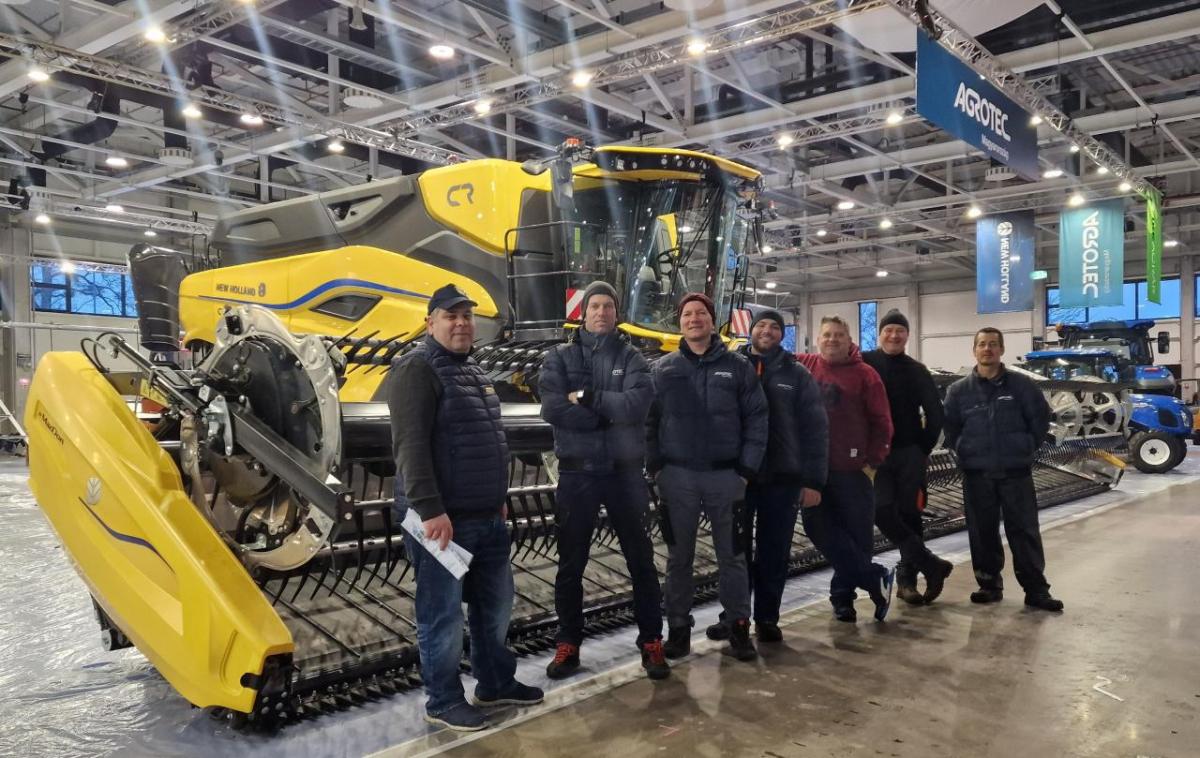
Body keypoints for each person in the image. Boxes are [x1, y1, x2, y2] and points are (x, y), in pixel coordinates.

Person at [388, 283, 543, 732]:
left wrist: (497, 501)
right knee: (443, 618)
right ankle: (442, 699)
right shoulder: (416, 370)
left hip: (486, 517)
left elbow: (486, 443)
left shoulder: (472, 371)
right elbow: (410, 448)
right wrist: (431, 509)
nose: (460, 323)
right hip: (442, 524)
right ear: (430, 322)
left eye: (466, 316)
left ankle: (494, 681)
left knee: (495, 610)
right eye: (450, 316)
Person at [539, 280, 668, 681]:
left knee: (641, 561)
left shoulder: (632, 358)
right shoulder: (559, 357)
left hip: (624, 473)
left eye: (607, 307)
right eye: (594, 306)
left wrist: (589, 398)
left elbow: (637, 404)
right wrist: (603, 415)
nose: (600, 312)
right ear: (583, 311)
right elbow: (552, 407)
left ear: (616, 313)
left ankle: (651, 640)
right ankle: (568, 643)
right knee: (570, 562)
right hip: (577, 473)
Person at [647, 292, 768, 661]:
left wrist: (746, 470)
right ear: (680, 322)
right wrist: (656, 467)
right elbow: (648, 422)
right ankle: (679, 630)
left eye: (701, 313)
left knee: (731, 556)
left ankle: (738, 627)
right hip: (678, 478)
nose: (694, 319)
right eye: (687, 314)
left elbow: (757, 419)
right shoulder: (663, 369)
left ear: (712, 321)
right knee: (678, 557)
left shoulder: (737, 367)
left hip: (725, 477)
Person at [707, 309, 828, 643]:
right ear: (752, 330)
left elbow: (816, 429)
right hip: (739, 476)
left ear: (781, 335)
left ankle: (767, 618)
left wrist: (813, 480)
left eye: (775, 327)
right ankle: (733, 617)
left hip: (782, 478)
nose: (768, 331)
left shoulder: (797, 374)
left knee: (774, 551)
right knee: (734, 553)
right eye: (762, 325)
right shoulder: (729, 366)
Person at [942, 327, 1064, 612]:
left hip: (1015, 472)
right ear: (974, 350)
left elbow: (1039, 420)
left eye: (993, 344)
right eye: (982, 344)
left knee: (1024, 531)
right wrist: (964, 450)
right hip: (976, 473)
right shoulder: (958, 391)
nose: (987, 349)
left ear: (1002, 349)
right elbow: (950, 428)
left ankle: (1036, 590)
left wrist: (1025, 447)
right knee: (982, 531)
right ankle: (988, 585)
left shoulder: (1021, 386)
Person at [798, 315, 896, 623]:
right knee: (818, 529)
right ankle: (876, 578)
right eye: (826, 334)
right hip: (814, 471)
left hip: (853, 470)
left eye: (838, 335)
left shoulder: (866, 375)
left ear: (849, 339)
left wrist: (873, 462)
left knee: (856, 537)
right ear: (818, 338)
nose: (832, 340)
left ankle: (843, 599)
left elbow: (882, 422)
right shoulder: (805, 367)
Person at [863, 310, 954, 605]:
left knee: (910, 514)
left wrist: (921, 448)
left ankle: (907, 581)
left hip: (907, 453)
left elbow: (935, 413)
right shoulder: (865, 362)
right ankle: (930, 564)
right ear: (880, 334)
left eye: (899, 331)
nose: (893, 335)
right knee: (880, 510)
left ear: (907, 336)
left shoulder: (917, 370)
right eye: (888, 330)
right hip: (874, 454)